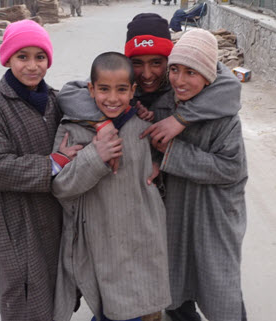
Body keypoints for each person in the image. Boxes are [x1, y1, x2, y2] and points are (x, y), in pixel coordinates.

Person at [0, 20, 83, 321]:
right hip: (14, 217)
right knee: (25, 287)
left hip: (52, 212)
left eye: (39, 57)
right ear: (7, 59)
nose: (32, 66)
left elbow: (93, 109)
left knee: (57, 281)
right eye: (22, 56)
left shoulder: (55, 101)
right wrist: (53, 163)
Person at [52, 52, 171, 321]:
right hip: (100, 241)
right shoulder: (75, 129)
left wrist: (157, 165)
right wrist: (96, 156)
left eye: (121, 90)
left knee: (142, 307)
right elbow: (61, 186)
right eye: (104, 89)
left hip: (143, 238)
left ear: (132, 91)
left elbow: (153, 172)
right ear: (91, 89)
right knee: (113, 310)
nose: (112, 98)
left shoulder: (143, 128)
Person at [57, 13, 241, 177]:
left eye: (156, 62)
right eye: (137, 63)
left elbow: (230, 86)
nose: (146, 74)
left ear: (170, 60)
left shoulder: (179, 84)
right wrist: (101, 122)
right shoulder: (121, 83)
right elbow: (69, 92)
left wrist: (180, 118)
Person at [151, 28, 248, 321]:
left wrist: (171, 154)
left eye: (191, 72)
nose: (180, 80)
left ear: (208, 77)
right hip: (175, 213)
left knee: (221, 289)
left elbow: (231, 168)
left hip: (213, 215)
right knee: (175, 285)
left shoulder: (225, 120)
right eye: (175, 70)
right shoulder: (167, 104)